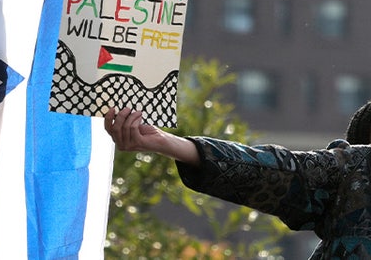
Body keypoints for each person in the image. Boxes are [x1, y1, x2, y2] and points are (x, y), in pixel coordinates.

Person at [105, 104, 371, 259]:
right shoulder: (355, 171)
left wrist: (169, 143)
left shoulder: (354, 171)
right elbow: (274, 169)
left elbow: (279, 169)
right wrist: (166, 143)